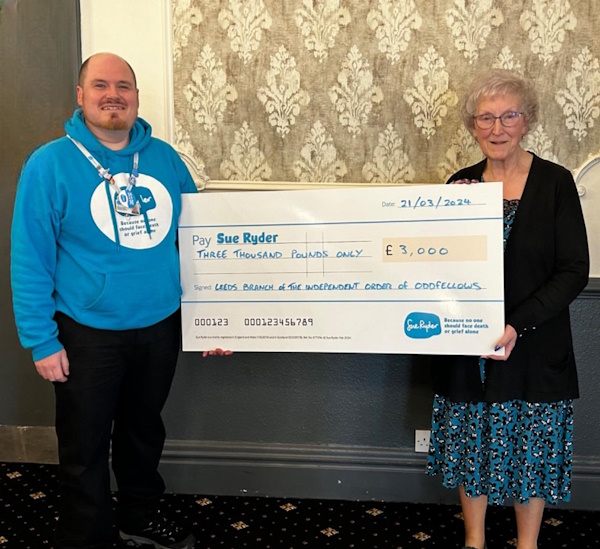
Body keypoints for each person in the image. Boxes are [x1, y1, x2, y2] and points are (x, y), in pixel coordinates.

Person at [11, 53, 199, 549]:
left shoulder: (165, 159)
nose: (112, 94)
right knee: (85, 445)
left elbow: (200, 243)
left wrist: (216, 323)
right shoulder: (49, 164)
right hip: (85, 331)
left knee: (143, 433)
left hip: (159, 326)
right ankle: (88, 535)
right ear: (81, 96)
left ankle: (139, 516)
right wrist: (40, 340)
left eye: (123, 86)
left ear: (137, 96)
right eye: (100, 85)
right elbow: (30, 257)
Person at [426, 69, 589, 549]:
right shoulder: (458, 185)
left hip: (534, 345)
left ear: (527, 121)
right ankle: (473, 540)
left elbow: (573, 269)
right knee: (470, 445)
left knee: (530, 449)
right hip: (467, 347)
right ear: (473, 127)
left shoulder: (556, 183)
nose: (497, 128)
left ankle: (527, 544)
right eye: (485, 118)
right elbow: (433, 267)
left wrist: (518, 323)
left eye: (508, 116)